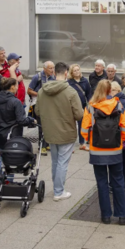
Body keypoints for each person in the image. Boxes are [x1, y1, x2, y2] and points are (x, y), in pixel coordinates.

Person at [81, 80, 125, 225]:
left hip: (97, 151)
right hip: (115, 150)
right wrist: (121, 141)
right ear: (110, 90)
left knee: (102, 183)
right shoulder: (118, 105)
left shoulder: (90, 107)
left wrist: (90, 141)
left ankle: (106, 216)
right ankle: (122, 215)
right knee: (118, 181)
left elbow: (84, 130)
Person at [35, 62, 83, 201]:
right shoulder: (71, 92)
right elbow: (79, 114)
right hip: (66, 131)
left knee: (55, 161)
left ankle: (57, 188)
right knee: (62, 162)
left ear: (54, 73)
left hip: (49, 131)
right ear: (66, 73)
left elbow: (37, 111)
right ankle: (58, 191)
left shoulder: (42, 91)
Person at [0, 77, 35, 191]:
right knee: (12, 159)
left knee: (3, 158)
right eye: (17, 86)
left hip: (0, 134)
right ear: (12, 87)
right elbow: (21, 120)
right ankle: (7, 182)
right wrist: (31, 120)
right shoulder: (15, 102)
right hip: (13, 134)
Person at [110, 81, 125, 193]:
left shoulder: (117, 102)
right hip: (123, 137)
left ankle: (120, 185)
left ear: (117, 91)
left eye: (112, 90)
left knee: (119, 161)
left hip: (119, 137)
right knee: (124, 161)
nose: (110, 92)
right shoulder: (124, 101)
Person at [68, 64, 92, 150]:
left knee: (82, 124)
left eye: (78, 70)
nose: (77, 72)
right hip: (71, 107)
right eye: (75, 70)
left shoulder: (84, 81)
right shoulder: (69, 82)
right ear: (71, 73)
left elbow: (89, 93)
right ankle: (69, 145)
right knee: (71, 125)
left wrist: (89, 104)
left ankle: (82, 143)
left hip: (82, 106)